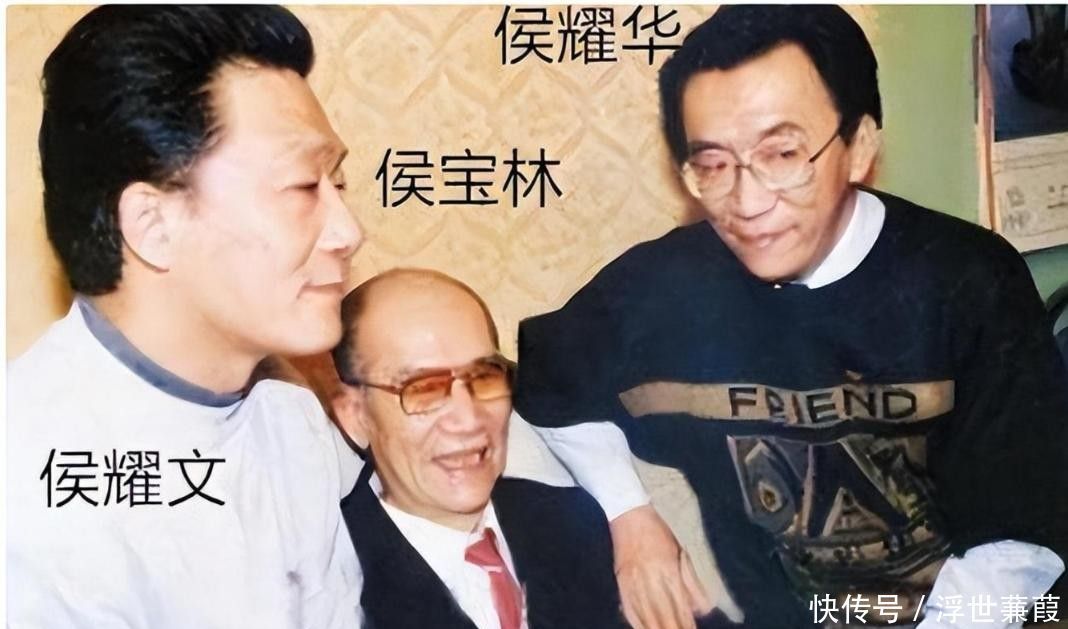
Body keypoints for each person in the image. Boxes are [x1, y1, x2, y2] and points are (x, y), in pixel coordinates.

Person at [514, 5, 1068, 628]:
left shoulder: (967, 281)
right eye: (713, 164)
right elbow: (545, 383)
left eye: (781, 154)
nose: (747, 202)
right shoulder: (662, 287)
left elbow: (1022, 540)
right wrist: (628, 515)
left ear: (859, 147)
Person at [8, 6, 364, 628]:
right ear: (153, 225)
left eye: (338, 184)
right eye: (304, 187)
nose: (348, 231)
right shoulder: (25, 484)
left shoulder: (292, 421)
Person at [331, 269, 628, 629]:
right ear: (356, 414)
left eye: (484, 377)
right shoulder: (322, 586)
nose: (469, 418)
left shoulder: (570, 522)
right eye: (423, 388)